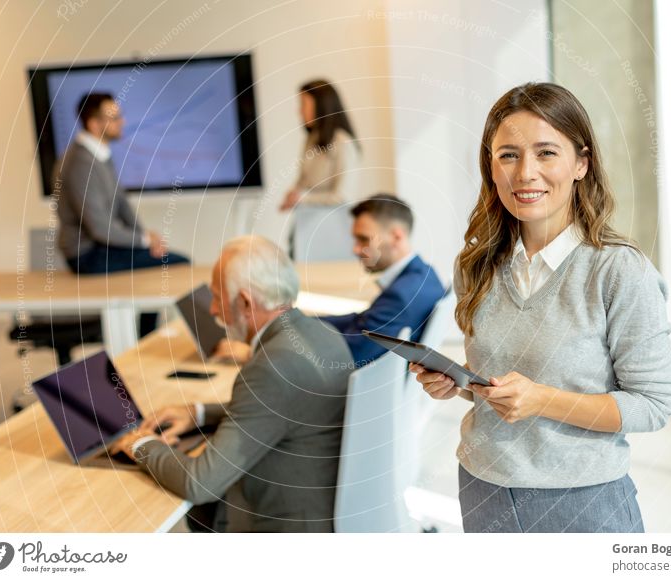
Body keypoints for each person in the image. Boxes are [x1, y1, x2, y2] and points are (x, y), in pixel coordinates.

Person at [410, 82, 671, 533]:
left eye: (546, 153)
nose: (525, 172)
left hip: (582, 504)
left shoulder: (618, 270)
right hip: (482, 488)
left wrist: (542, 401)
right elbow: (502, 385)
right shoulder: (476, 266)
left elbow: (652, 405)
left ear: (581, 163)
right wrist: (456, 383)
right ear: (491, 168)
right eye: (508, 155)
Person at [114, 236, 352, 532]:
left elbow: (199, 483)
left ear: (245, 302)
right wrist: (199, 412)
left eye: (216, 297)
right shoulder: (324, 333)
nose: (213, 310)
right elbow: (280, 409)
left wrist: (140, 444)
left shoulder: (271, 369)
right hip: (322, 508)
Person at [54, 92, 189, 274]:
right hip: (87, 255)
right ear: (94, 124)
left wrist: (147, 240)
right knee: (181, 263)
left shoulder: (99, 155)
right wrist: (144, 241)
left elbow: (122, 203)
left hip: (104, 247)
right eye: (115, 118)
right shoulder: (80, 164)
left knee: (171, 259)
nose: (122, 122)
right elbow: (99, 228)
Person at [320, 194, 445, 367]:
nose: (355, 249)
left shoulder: (400, 295)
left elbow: (351, 355)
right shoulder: (424, 275)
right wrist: (306, 322)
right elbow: (362, 320)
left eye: (364, 239)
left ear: (396, 237)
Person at [279, 79, 360, 212]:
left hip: (331, 221)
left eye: (304, 104)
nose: (299, 111)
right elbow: (303, 181)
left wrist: (303, 198)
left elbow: (343, 195)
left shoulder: (343, 142)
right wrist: (293, 195)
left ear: (322, 105)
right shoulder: (311, 139)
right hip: (307, 217)